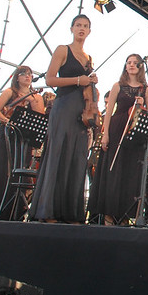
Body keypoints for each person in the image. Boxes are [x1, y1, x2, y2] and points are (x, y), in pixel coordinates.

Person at [29, 14, 98, 223]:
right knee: (58, 154)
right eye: (78, 25)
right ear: (72, 28)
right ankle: (48, 211)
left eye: (85, 26)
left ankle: (70, 212)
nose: (81, 29)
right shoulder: (62, 50)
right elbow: (50, 79)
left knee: (77, 158)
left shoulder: (89, 57)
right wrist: (79, 80)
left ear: (89, 31)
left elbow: (87, 86)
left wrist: (91, 81)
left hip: (81, 111)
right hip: (64, 106)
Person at [90, 54, 148, 225]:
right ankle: (109, 214)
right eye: (129, 63)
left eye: (135, 63)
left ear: (140, 67)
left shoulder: (145, 89)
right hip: (117, 129)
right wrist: (106, 134)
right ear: (125, 66)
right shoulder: (118, 86)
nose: (131, 65)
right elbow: (109, 112)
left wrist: (144, 105)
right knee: (114, 172)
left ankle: (125, 216)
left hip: (134, 135)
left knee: (130, 174)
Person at [0, 66, 44, 220]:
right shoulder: (9, 92)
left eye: (30, 74)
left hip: (24, 138)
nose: (28, 77)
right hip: (7, 134)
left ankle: (14, 212)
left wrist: (31, 102)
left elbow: (40, 116)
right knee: (1, 170)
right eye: (24, 74)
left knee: (19, 169)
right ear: (17, 77)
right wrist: (7, 121)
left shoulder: (36, 97)